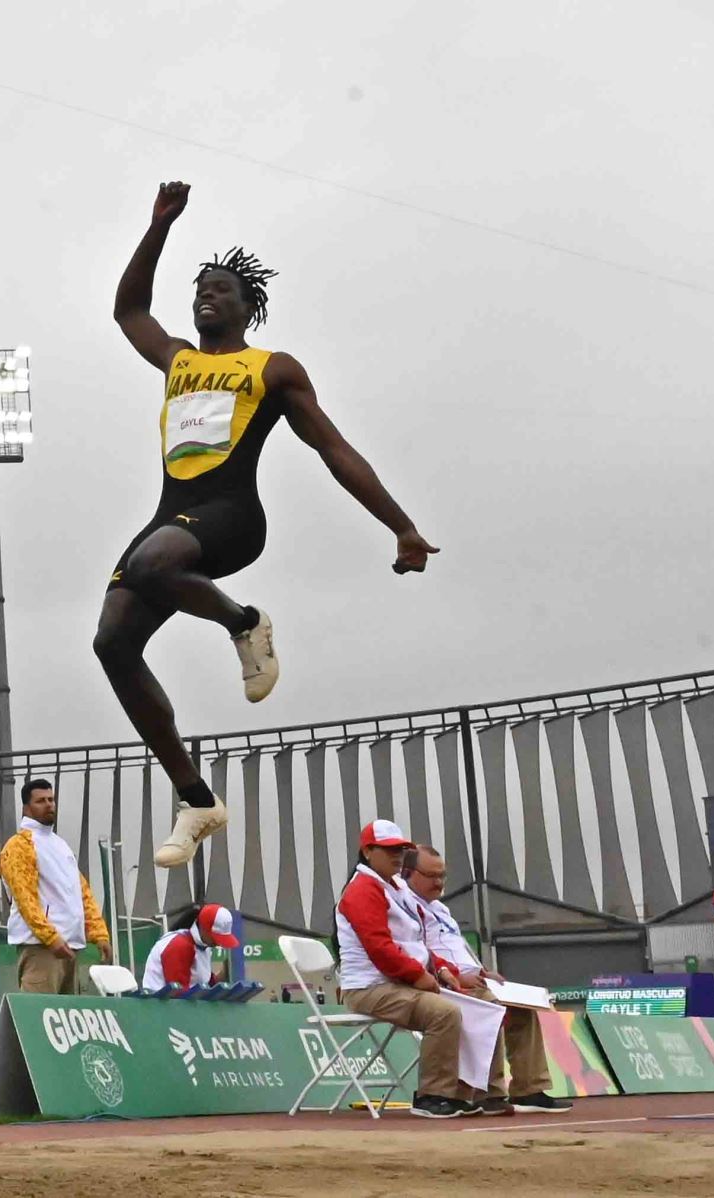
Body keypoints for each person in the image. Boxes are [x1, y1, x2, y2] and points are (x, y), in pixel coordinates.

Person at [101, 181, 439, 870]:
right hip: (171, 519)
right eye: (199, 288)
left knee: (150, 565)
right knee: (112, 642)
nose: (205, 296)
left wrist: (400, 525)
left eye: (220, 288)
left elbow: (334, 449)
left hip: (231, 518)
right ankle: (195, 798)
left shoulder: (272, 368)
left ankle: (243, 621)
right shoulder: (177, 360)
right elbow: (128, 308)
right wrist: (158, 225)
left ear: (248, 305)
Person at [402, 845, 570, 1114]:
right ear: (408, 873)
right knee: (489, 1004)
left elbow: (455, 947)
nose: (439, 883)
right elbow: (415, 952)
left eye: (443, 876)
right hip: (439, 983)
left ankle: (529, 1089)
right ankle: (488, 1093)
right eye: (432, 875)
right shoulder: (404, 906)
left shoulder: (440, 909)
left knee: (523, 1008)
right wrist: (457, 976)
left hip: (469, 979)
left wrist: (481, 972)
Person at [335, 819, 469, 1118]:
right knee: (444, 1012)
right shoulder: (362, 890)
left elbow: (417, 940)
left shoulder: (395, 886)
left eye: (402, 850)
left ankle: (476, 1093)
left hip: (395, 983)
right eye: (390, 850)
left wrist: (443, 969)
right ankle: (432, 1096)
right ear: (368, 851)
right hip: (368, 988)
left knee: (480, 1003)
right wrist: (419, 976)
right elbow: (380, 949)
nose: (398, 856)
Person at [0, 778, 113, 994]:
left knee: (63, 1020)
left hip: (69, 947)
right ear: (26, 807)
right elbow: (26, 900)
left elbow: (82, 893)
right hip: (41, 948)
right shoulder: (19, 846)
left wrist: (99, 933)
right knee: (37, 1016)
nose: (49, 804)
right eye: (41, 801)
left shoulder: (60, 845)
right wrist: (51, 938)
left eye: (51, 799)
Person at [141, 903, 238, 992]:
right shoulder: (180, 946)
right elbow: (177, 992)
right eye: (216, 937)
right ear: (204, 929)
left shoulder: (204, 947)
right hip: (158, 1005)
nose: (218, 943)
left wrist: (224, 973)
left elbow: (203, 984)